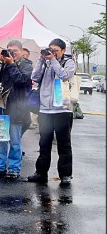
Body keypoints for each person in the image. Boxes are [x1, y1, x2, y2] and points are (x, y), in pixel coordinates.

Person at [27, 38, 76, 185]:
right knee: (44, 143)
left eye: (55, 50)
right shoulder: (46, 63)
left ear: (63, 50)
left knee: (64, 143)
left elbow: (64, 75)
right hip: (45, 110)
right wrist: (42, 61)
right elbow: (34, 78)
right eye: (50, 50)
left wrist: (53, 60)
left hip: (63, 110)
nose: (52, 53)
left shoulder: (68, 62)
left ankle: (65, 175)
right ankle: (41, 173)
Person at [0, 40, 32, 179]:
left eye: (15, 51)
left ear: (20, 51)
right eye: (9, 51)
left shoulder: (27, 65)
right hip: (1, 107)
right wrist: (0, 63)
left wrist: (11, 64)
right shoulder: (4, 64)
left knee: (15, 141)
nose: (12, 53)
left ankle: (13, 168)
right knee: (0, 140)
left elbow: (21, 80)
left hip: (16, 108)